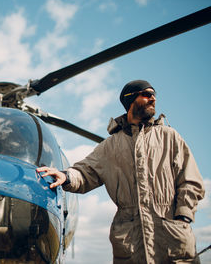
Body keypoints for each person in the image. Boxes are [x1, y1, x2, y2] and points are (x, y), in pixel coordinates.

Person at [37, 80, 205, 263]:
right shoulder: (110, 146)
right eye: (147, 94)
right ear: (130, 99)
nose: (153, 98)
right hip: (130, 243)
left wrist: (182, 217)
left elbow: (191, 181)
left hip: (173, 240)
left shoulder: (169, 137)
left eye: (154, 94)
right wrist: (66, 176)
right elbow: (85, 172)